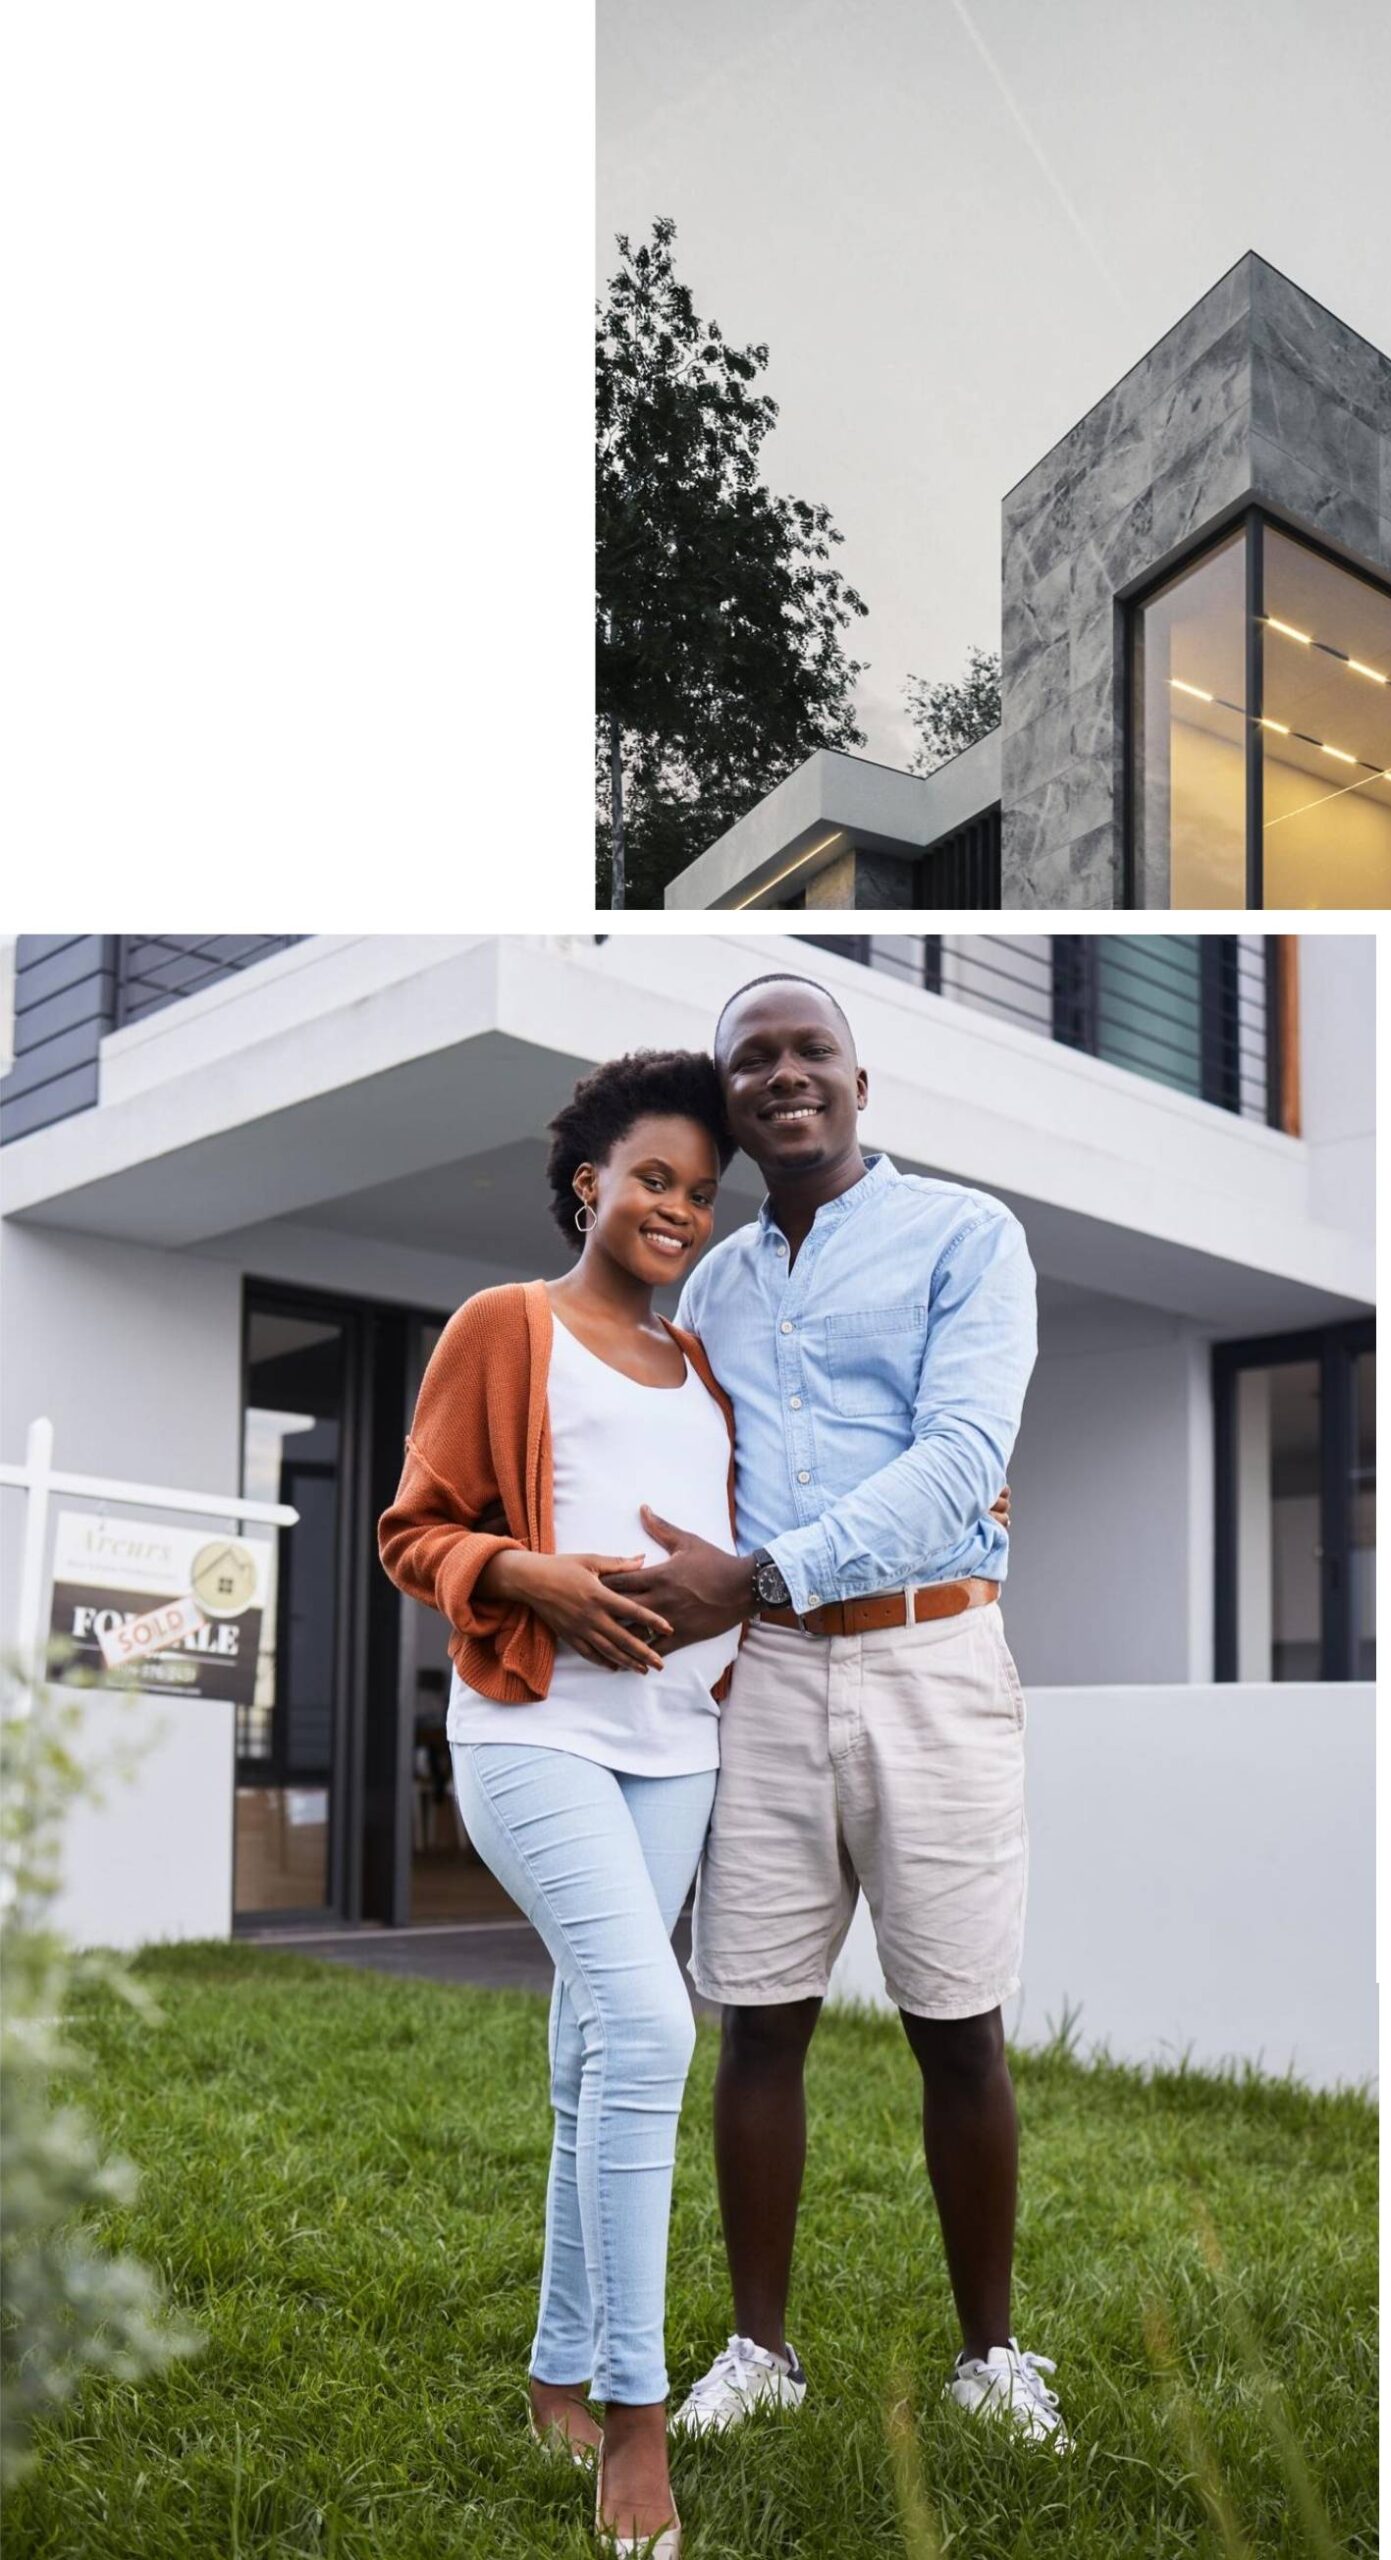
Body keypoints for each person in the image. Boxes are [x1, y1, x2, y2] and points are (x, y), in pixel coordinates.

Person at [598, 971, 1066, 2448]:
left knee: (959, 2029)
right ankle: (759, 2349)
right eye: (755, 1060)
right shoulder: (713, 1284)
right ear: (732, 1103)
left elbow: (961, 1454)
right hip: (771, 1680)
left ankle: (991, 2355)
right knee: (756, 2020)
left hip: (933, 1657)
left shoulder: (969, 1237)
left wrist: (763, 1571)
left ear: (863, 1085)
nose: (784, 1074)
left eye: (812, 1051)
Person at [378, 1047, 737, 2558]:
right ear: (587, 1179)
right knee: (655, 2026)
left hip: (677, 1744)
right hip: (536, 1733)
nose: (676, 1210)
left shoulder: (704, 1363)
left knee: (599, 2054)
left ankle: (555, 2374)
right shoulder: (503, 1327)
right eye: (653, 1178)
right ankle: (637, 2425)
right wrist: (521, 1572)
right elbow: (414, 1532)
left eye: (701, 1194)